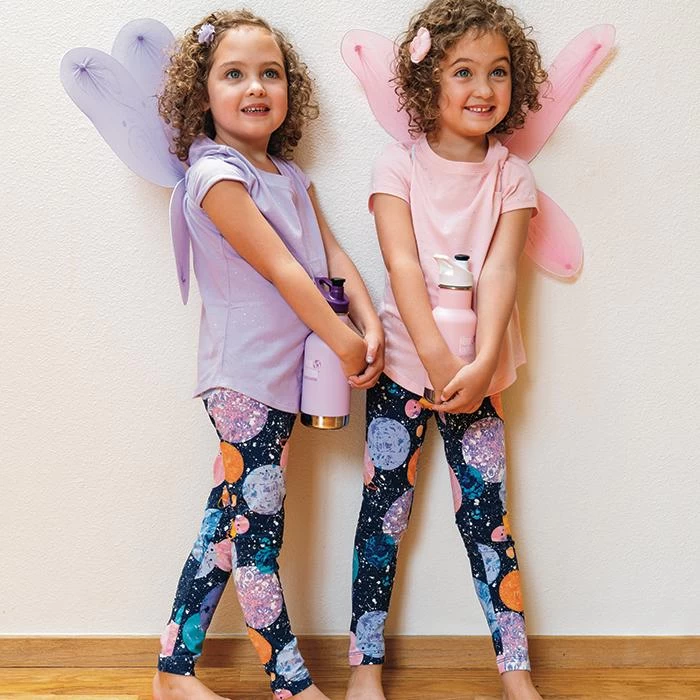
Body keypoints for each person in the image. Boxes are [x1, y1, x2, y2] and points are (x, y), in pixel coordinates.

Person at [152, 10, 384, 700]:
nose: (256, 87)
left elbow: (328, 255)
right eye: (234, 74)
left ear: (290, 89)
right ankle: (290, 683)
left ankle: (172, 672)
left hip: (284, 378)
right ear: (203, 95)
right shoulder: (215, 177)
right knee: (257, 534)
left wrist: (368, 321)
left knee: (229, 524)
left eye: (270, 73)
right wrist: (342, 340)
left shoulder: (288, 174)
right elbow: (284, 269)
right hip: (244, 380)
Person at [346, 1, 547, 699]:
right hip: (403, 371)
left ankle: (516, 673)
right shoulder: (396, 166)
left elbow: (501, 270)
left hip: (481, 377)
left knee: (489, 523)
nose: (483, 88)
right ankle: (364, 667)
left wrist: (483, 362)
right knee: (382, 518)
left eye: (498, 71)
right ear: (427, 79)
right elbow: (401, 264)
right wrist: (434, 358)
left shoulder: (512, 177)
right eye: (463, 71)